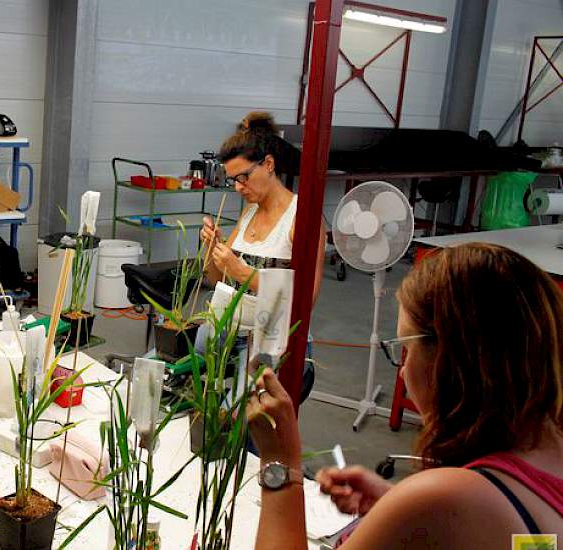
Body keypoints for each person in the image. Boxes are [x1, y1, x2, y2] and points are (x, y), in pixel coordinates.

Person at [248, 243, 563, 549]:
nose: (402, 371)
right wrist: (393, 504)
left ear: (450, 361)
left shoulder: (448, 497)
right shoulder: (544, 458)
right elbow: (526, 542)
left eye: (406, 350)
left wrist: (280, 463)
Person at [196, 112, 324, 402]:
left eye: (244, 177)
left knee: (233, 421)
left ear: (268, 164)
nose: (239, 187)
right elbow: (217, 279)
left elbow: (304, 300)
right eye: (233, 181)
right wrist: (212, 248)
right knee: (163, 370)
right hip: (227, 334)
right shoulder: (249, 211)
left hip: (273, 343)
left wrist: (242, 272)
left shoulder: (302, 218)